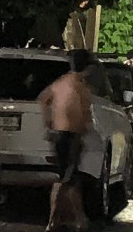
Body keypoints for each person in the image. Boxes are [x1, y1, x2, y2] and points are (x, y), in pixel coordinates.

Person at [38, 49, 93, 232]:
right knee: (67, 179)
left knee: (68, 178)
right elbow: (84, 112)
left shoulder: (62, 83)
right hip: (69, 136)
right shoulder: (77, 85)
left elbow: (44, 99)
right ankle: (61, 220)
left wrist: (49, 123)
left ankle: (70, 218)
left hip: (65, 134)